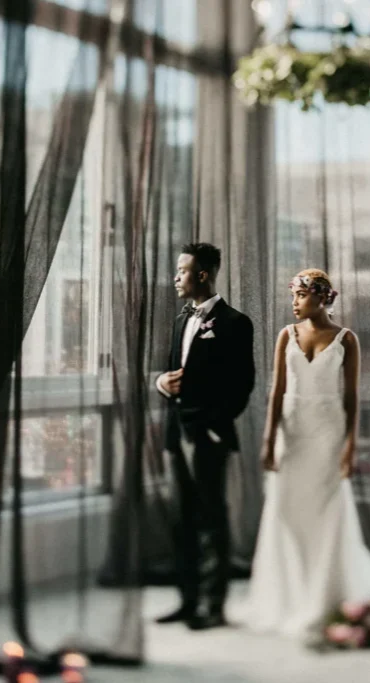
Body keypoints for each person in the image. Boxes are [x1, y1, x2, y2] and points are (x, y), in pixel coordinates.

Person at [236, 269, 370, 641]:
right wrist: (268, 442)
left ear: (320, 297)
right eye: (293, 295)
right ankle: (291, 591)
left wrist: (349, 449)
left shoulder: (347, 339)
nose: (294, 302)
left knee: (327, 512)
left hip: (328, 434)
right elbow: (277, 392)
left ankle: (326, 592)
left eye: (300, 295)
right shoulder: (286, 336)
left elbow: (351, 399)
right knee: (284, 508)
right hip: (292, 433)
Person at [154, 243, 255, 630]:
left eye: (181, 271)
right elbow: (171, 372)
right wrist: (162, 384)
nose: (175, 277)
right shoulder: (181, 319)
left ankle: (212, 606)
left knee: (211, 520)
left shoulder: (235, 323)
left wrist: (214, 427)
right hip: (175, 434)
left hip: (208, 436)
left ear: (202, 274)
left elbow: (242, 385)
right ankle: (187, 600)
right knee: (181, 519)